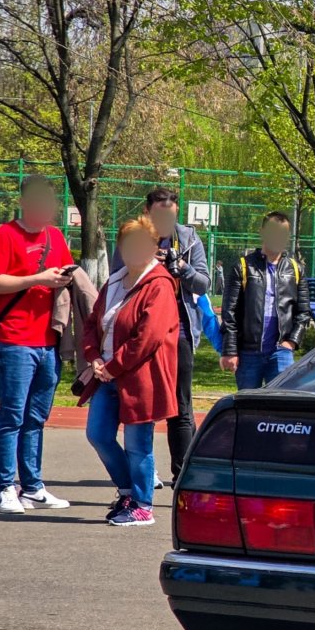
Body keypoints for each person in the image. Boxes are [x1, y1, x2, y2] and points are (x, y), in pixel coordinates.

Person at [0, 175, 75, 514]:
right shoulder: (3, 236)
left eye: (49, 203)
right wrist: (38, 278)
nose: (45, 209)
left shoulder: (55, 236)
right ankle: (6, 487)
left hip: (49, 342)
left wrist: (65, 278)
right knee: (12, 416)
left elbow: (63, 275)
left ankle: (32, 487)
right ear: (23, 203)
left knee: (36, 417)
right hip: (14, 340)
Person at [79, 217, 180, 526]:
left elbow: (147, 338)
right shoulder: (114, 281)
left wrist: (112, 366)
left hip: (140, 377)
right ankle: (127, 492)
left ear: (153, 247)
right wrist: (94, 357)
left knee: (138, 445)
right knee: (98, 435)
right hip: (107, 374)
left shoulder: (160, 285)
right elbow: (92, 324)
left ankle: (143, 505)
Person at [110, 187, 210, 483]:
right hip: (141, 334)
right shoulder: (132, 237)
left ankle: (183, 475)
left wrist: (182, 268)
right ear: (147, 213)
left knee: (181, 408)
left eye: (171, 217)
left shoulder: (189, 239)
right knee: (144, 405)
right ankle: (145, 469)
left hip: (179, 334)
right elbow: (116, 281)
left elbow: (203, 283)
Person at [220, 211, 311, 389]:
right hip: (248, 352)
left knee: (279, 401)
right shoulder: (243, 266)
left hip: (281, 352)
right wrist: (230, 350)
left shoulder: (295, 269)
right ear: (262, 232)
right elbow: (229, 312)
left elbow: (303, 312)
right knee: (248, 401)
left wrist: (291, 341)